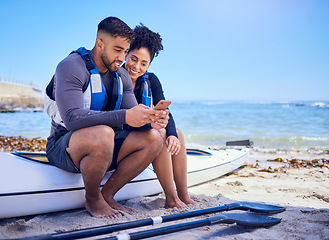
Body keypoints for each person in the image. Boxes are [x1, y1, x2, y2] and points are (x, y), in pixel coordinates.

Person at [45, 17, 169, 218]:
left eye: (125, 52)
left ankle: (108, 195)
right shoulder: (71, 67)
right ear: (99, 44)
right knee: (104, 133)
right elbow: (71, 118)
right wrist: (126, 116)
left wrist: (151, 120)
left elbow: (132, 112)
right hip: (64, 145)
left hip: (106, 146)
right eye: (117, 50)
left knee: (154, 137)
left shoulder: (121, 75)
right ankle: (92, 199)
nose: (122, 58)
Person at [124, 25, 196, 208]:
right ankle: (171, 199)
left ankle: (183, 195)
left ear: (149, 65)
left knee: (177, 133)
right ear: (126, 54)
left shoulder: (151, 80)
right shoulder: (117, 78)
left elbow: (165, 112)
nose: (136, 67)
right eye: (133, 59)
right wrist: (154, 126)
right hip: (124, 136)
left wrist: (171, 133)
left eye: (143, 63)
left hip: (143, 133)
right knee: (160, 133)